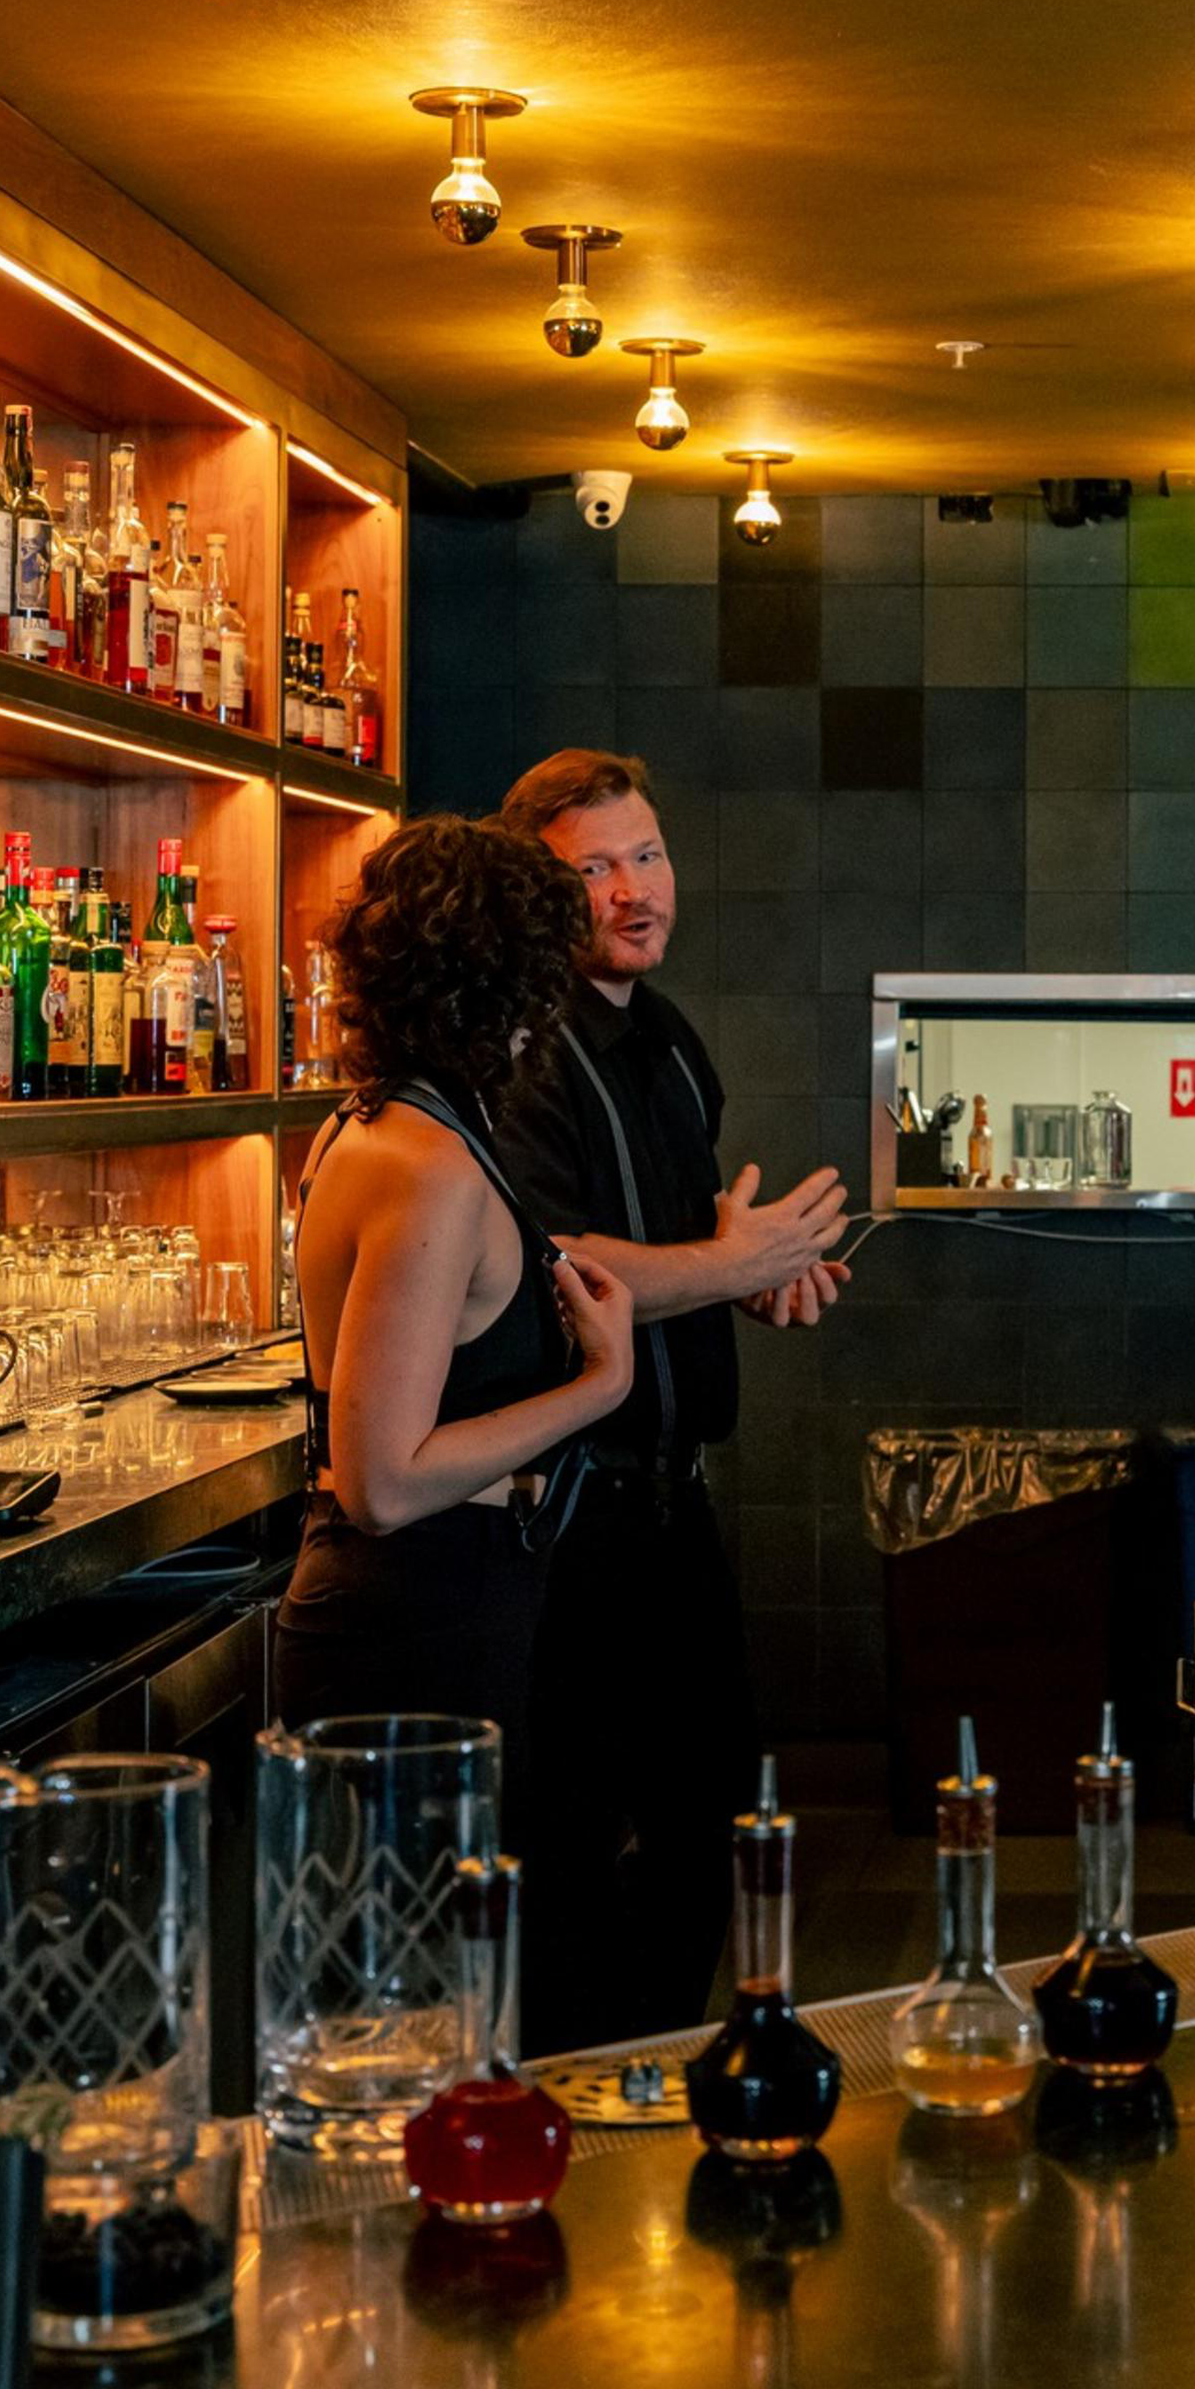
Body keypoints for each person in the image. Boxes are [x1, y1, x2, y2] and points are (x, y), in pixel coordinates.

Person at [489, 749, 850, 2052]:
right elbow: (544, 1267)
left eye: (645, 854)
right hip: (561, 1528)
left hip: (670, 1514)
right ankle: (585, 2134)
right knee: (582, 1877)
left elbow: (672, 1246)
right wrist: (725, 1262)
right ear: (535, 894)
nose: (634, 890)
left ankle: (639, 2107)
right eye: (595, 868)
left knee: (714, 1841)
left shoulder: (668, 1040)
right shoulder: (520, 1053)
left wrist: (747, 1277)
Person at [275, 816, 638, 1877]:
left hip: (429, 1609)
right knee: (420, 1999)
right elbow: (383, 1483)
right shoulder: (427, 1161)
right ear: (508, 984)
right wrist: (599, 1380)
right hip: (412, 1621)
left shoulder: (376, 1121)